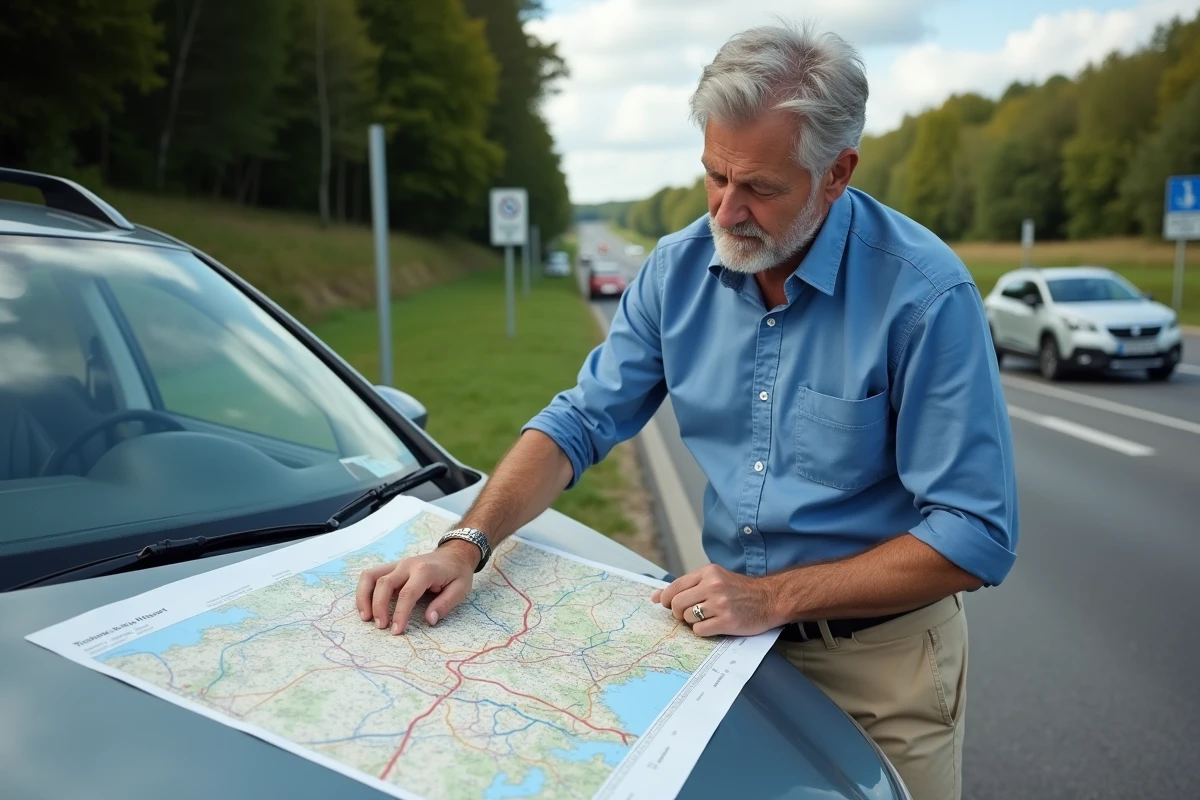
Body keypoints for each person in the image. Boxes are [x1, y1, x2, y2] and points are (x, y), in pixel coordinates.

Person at [356, 20, 1017, 800]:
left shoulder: (926, 295)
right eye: (714, 176)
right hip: (722, 650)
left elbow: (976, 534)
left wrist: (772, 597)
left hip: (879, 668)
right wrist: (465, 543)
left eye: (761, 189)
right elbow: (579, 421)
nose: (727, 212)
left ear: (837, 173)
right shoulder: (674, 270)